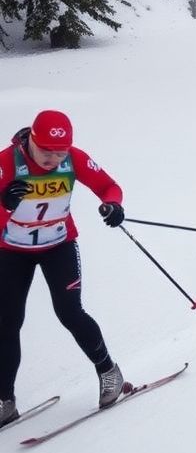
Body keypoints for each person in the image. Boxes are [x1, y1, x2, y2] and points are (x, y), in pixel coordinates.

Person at [0, 111, 126, 426]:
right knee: (7, 322)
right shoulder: (6, 163)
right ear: (31, 140)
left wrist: (114, 206)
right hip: (12, 251)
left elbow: (109, 186)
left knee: (69, 311)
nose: (54, 160)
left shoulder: (73, 159)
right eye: (47, 152)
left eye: (61, 152)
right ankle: (4, 400)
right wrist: (4, 205)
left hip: (59, 246)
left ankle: (108, 370)